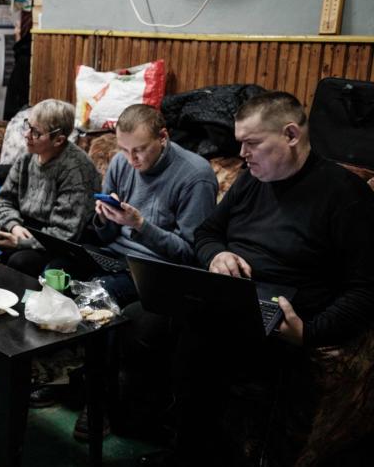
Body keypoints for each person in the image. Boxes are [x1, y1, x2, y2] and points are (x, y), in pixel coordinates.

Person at [141, 92, 374, 466]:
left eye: (252, 143)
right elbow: (206, 234)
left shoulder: (346, 196)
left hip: (286, 314)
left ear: (291, 135)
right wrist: (218, 254)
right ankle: (184, 447)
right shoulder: (253, 179)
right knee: (153, 320)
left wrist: (309, 332)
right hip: (232, 297)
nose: (243, 155)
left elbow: (365, 290)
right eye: (239, 144)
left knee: (199, 347)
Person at [91, 104, 217, 307]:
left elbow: (190, 255)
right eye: (124, 149)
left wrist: (140, 225)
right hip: (114, 256)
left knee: (97, 295)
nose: (131, 160)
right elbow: (106, 236)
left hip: (157, 268)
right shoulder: (120, 162)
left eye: (140, 150)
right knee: (57, 272)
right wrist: (105, 218)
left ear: (163, 137)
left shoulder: (196, 176)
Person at [0, 99, 100, 277]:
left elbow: (66, 233)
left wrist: (21, 242)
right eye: (28, 126)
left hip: (58, 243)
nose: (27, 135)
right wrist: (13, 226)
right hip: (24, 228)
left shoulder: (75, 168)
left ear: (59, 140)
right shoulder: (28, 156)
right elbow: (3, 201)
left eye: (36, 132)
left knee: (20, 262)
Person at [3, 9, 32, 120]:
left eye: (18, 27)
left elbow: (16, 99)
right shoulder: (23, 54)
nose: (15, 31)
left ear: (25, 29)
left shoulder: (24, 59)